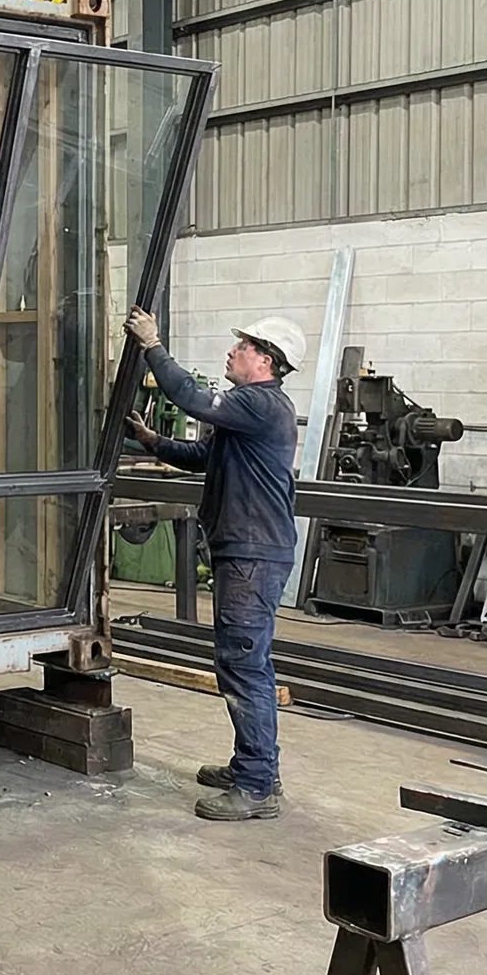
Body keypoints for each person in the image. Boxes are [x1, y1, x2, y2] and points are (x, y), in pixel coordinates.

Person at [124, 309, 305, 822]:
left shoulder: (260, 403)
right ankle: (256, 767)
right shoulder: (250, 413)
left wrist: (153, 346)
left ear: (265, 360)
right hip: (247, 551)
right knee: (244, 664)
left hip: (252, 555)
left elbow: (192, 397)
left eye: (242, 346)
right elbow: (204, 457)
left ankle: (257, 786)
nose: (232, 352)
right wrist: (153, 442)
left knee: (245, 667)